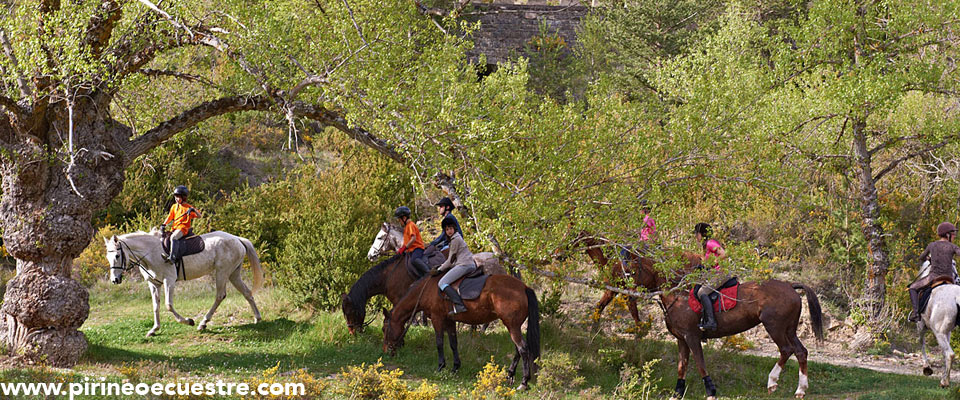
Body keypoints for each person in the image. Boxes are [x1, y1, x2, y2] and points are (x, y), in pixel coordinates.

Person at [908, 222, 960, 322]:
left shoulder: (932, 245)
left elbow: (921, 257)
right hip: (950, 278)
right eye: (953, 233)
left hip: (933, 277)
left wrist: (929, 259)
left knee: (912, 288)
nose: (954, 236)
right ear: (947, 234)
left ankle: (916, 314)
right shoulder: (953, 247)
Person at [432, 216, 476, 315]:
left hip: (464, 265)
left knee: (442, 283)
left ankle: (459, 304)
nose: (449, 231)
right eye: (447, 229)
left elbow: (450, 261)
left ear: (454, 228)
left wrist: (439, 270)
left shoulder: (455, 240)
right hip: (468, 263)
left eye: (451, 228)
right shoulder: (455, 238)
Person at [693, 222, 728, 331]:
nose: (695, 236)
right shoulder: (705, 246)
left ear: (701, 234)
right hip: (715, 272)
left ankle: (711, 322)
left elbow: (724, 254)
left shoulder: (710, 243)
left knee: (701, 292)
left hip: (722, 272)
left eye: (696, 234)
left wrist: (712, 263)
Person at [162, 185, 201, 263]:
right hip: (174, 228)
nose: (176, 199)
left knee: (173, 237)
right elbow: (170, 217)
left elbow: (199, 216)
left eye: (178, 197)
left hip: (183, 229)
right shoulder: (174, 206)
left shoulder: (188, 207)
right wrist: (163, 224)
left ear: (184, 197)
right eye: (175, 197)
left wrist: (193, 210)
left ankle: (172, 258)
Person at [620, 200, 656, 270]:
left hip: (645, 242)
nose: (639, 211)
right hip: (645, 241)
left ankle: (625, 266)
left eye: (640, 209)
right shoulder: (650, 218)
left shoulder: (646, 219)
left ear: (644, 209)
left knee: (624, 249)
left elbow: (642, 230)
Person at [395, 206, 428, 276]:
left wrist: (404, 248)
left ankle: (428, 272)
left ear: (404, 218)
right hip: (411, 250)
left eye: (399, 220)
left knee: (414, 260)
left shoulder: (410, 225)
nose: (399, 222)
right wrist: (401, 250)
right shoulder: (406, 227)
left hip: (417, 248)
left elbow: (413, 239)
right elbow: (406, 241)